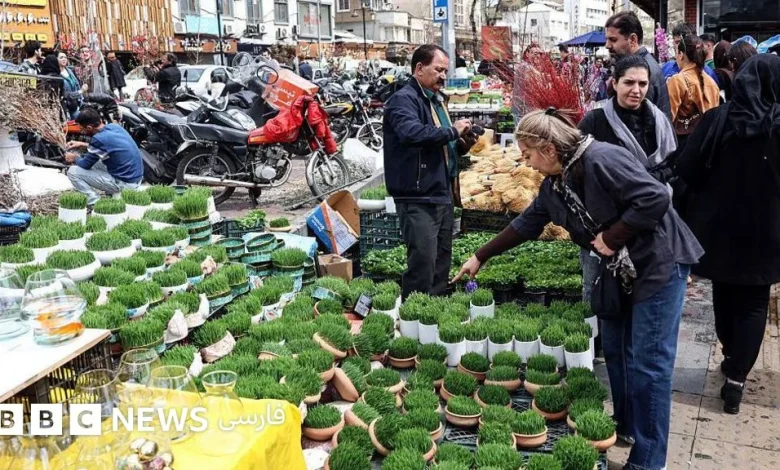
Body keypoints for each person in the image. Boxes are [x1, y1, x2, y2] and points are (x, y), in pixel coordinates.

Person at [453, 108, 703, 470]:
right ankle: (628, 424)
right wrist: (480, 256)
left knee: (651, 365)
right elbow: (527, 223)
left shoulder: (602, 158)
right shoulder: (555, 183)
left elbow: (654, 198)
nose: (528, 162)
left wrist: (611, 237)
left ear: (550, 149)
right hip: (620, 270)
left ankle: (649, 460)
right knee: (616, 349)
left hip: (657, 263)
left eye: (529, 154)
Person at [577, 55, 679, 443]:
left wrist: (651, 185)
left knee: (642, 350)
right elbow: (584, 177)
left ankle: (638, 425)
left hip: (648, 242)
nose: (636, 91)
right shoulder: (595, 122)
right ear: (613, 84)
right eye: (628, 83)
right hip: (607, 244)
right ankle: (622, 420)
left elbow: (672, 167)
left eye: (642, 84)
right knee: (616, 343)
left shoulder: (658, 120)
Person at [675, 54, 780, 415]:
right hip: (768, 230)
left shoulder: (717, 120)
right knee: (754, 303)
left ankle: (731, 352)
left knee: (724, 293)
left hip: (719, 228)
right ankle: (736, 376)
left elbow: (687, 168)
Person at [383, 44, 475, 299]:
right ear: (419, 68)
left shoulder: (436, 100)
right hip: (418, 194)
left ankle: (435, 311)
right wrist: (453, 131)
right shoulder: (403, 100)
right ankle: (415, 316)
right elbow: (412, 133)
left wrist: (461, 143)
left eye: (445, 71)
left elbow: (442, 143)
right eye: (438, 70)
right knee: (423, 261)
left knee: (441, 258)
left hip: (441, 189)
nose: (443, 76)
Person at [64, 107, 143, 205]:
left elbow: (85, 165)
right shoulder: (114, 127)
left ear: (89, 127)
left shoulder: (98, 139)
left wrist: (74, 157)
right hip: (135, 179)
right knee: (97, 161)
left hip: (125, 184)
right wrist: (82, 144)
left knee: (72, 172)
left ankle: (94, 202)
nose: (80, 131)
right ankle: (110, 193)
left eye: (81, 128)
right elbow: (110, 147)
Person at [604, 11, 671, 119]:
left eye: (613, 39)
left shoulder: (642, 71)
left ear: (633, 40)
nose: (607, 45)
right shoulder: (640, 65)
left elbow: (638, 123)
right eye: (606, 39)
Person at [667, 34, 720, 146]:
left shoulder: (677, 81)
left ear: (681, 55)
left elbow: (668, 118)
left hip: (684, 143)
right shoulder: (711, 82)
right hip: (706, 143)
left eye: (676, 53)